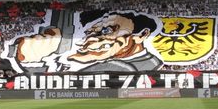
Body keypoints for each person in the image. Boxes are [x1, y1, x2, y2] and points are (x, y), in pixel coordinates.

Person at [9, 9, 163, 73]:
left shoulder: (142, 66)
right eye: (91, 32)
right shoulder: (81, 58)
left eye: (108, 30)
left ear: (141, 35)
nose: (93, 39)